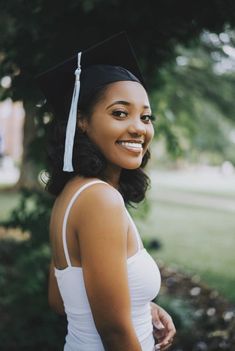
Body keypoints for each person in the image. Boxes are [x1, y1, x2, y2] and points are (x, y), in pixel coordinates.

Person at [36, 32, 176, 351]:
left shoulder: (73, 194)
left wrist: (140, 309)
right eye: (119, 113)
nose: (139, 127)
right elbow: (113, 332)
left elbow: (62, 302)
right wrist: (123, 319)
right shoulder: (99, 199)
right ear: (82, 121)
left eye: (146, 116)